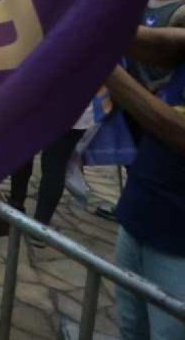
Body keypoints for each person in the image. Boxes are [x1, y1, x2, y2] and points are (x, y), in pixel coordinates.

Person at [104, 27, 185, 340]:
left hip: (178, 243)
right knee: (132, 327)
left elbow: (178, 132)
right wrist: (84, 22)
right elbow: (163, 45)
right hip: (141, 212)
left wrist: (97, 59)